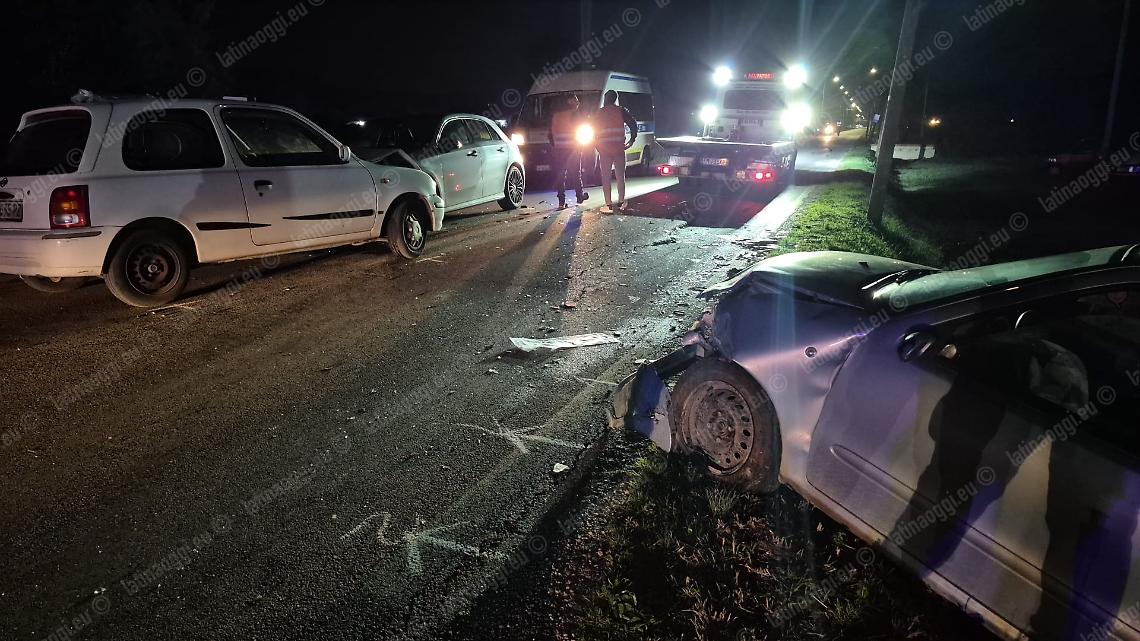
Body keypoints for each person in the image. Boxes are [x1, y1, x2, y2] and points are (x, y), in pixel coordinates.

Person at [594, 90, 639, 213]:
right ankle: (620, 202)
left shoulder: (599, 113)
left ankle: (608, 205)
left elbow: (592, 131)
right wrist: (631, 140)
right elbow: (633, 124)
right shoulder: (621, 111)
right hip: (619, 149)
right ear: (615, 99)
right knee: (620, 177)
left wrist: (597, 146)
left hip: (604, 150)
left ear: (605, 99)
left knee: (606, 178)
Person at [548, 94, 589, 210]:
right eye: (576, 100)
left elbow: (550, 134)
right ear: (570, 101)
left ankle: (561, 202)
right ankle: (579, 196)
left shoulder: (556, 115)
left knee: (561, 174)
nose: (578, 103)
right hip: (574, 148)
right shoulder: (575, 114)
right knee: (576, 173)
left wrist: (556, 145)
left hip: (560, 149)